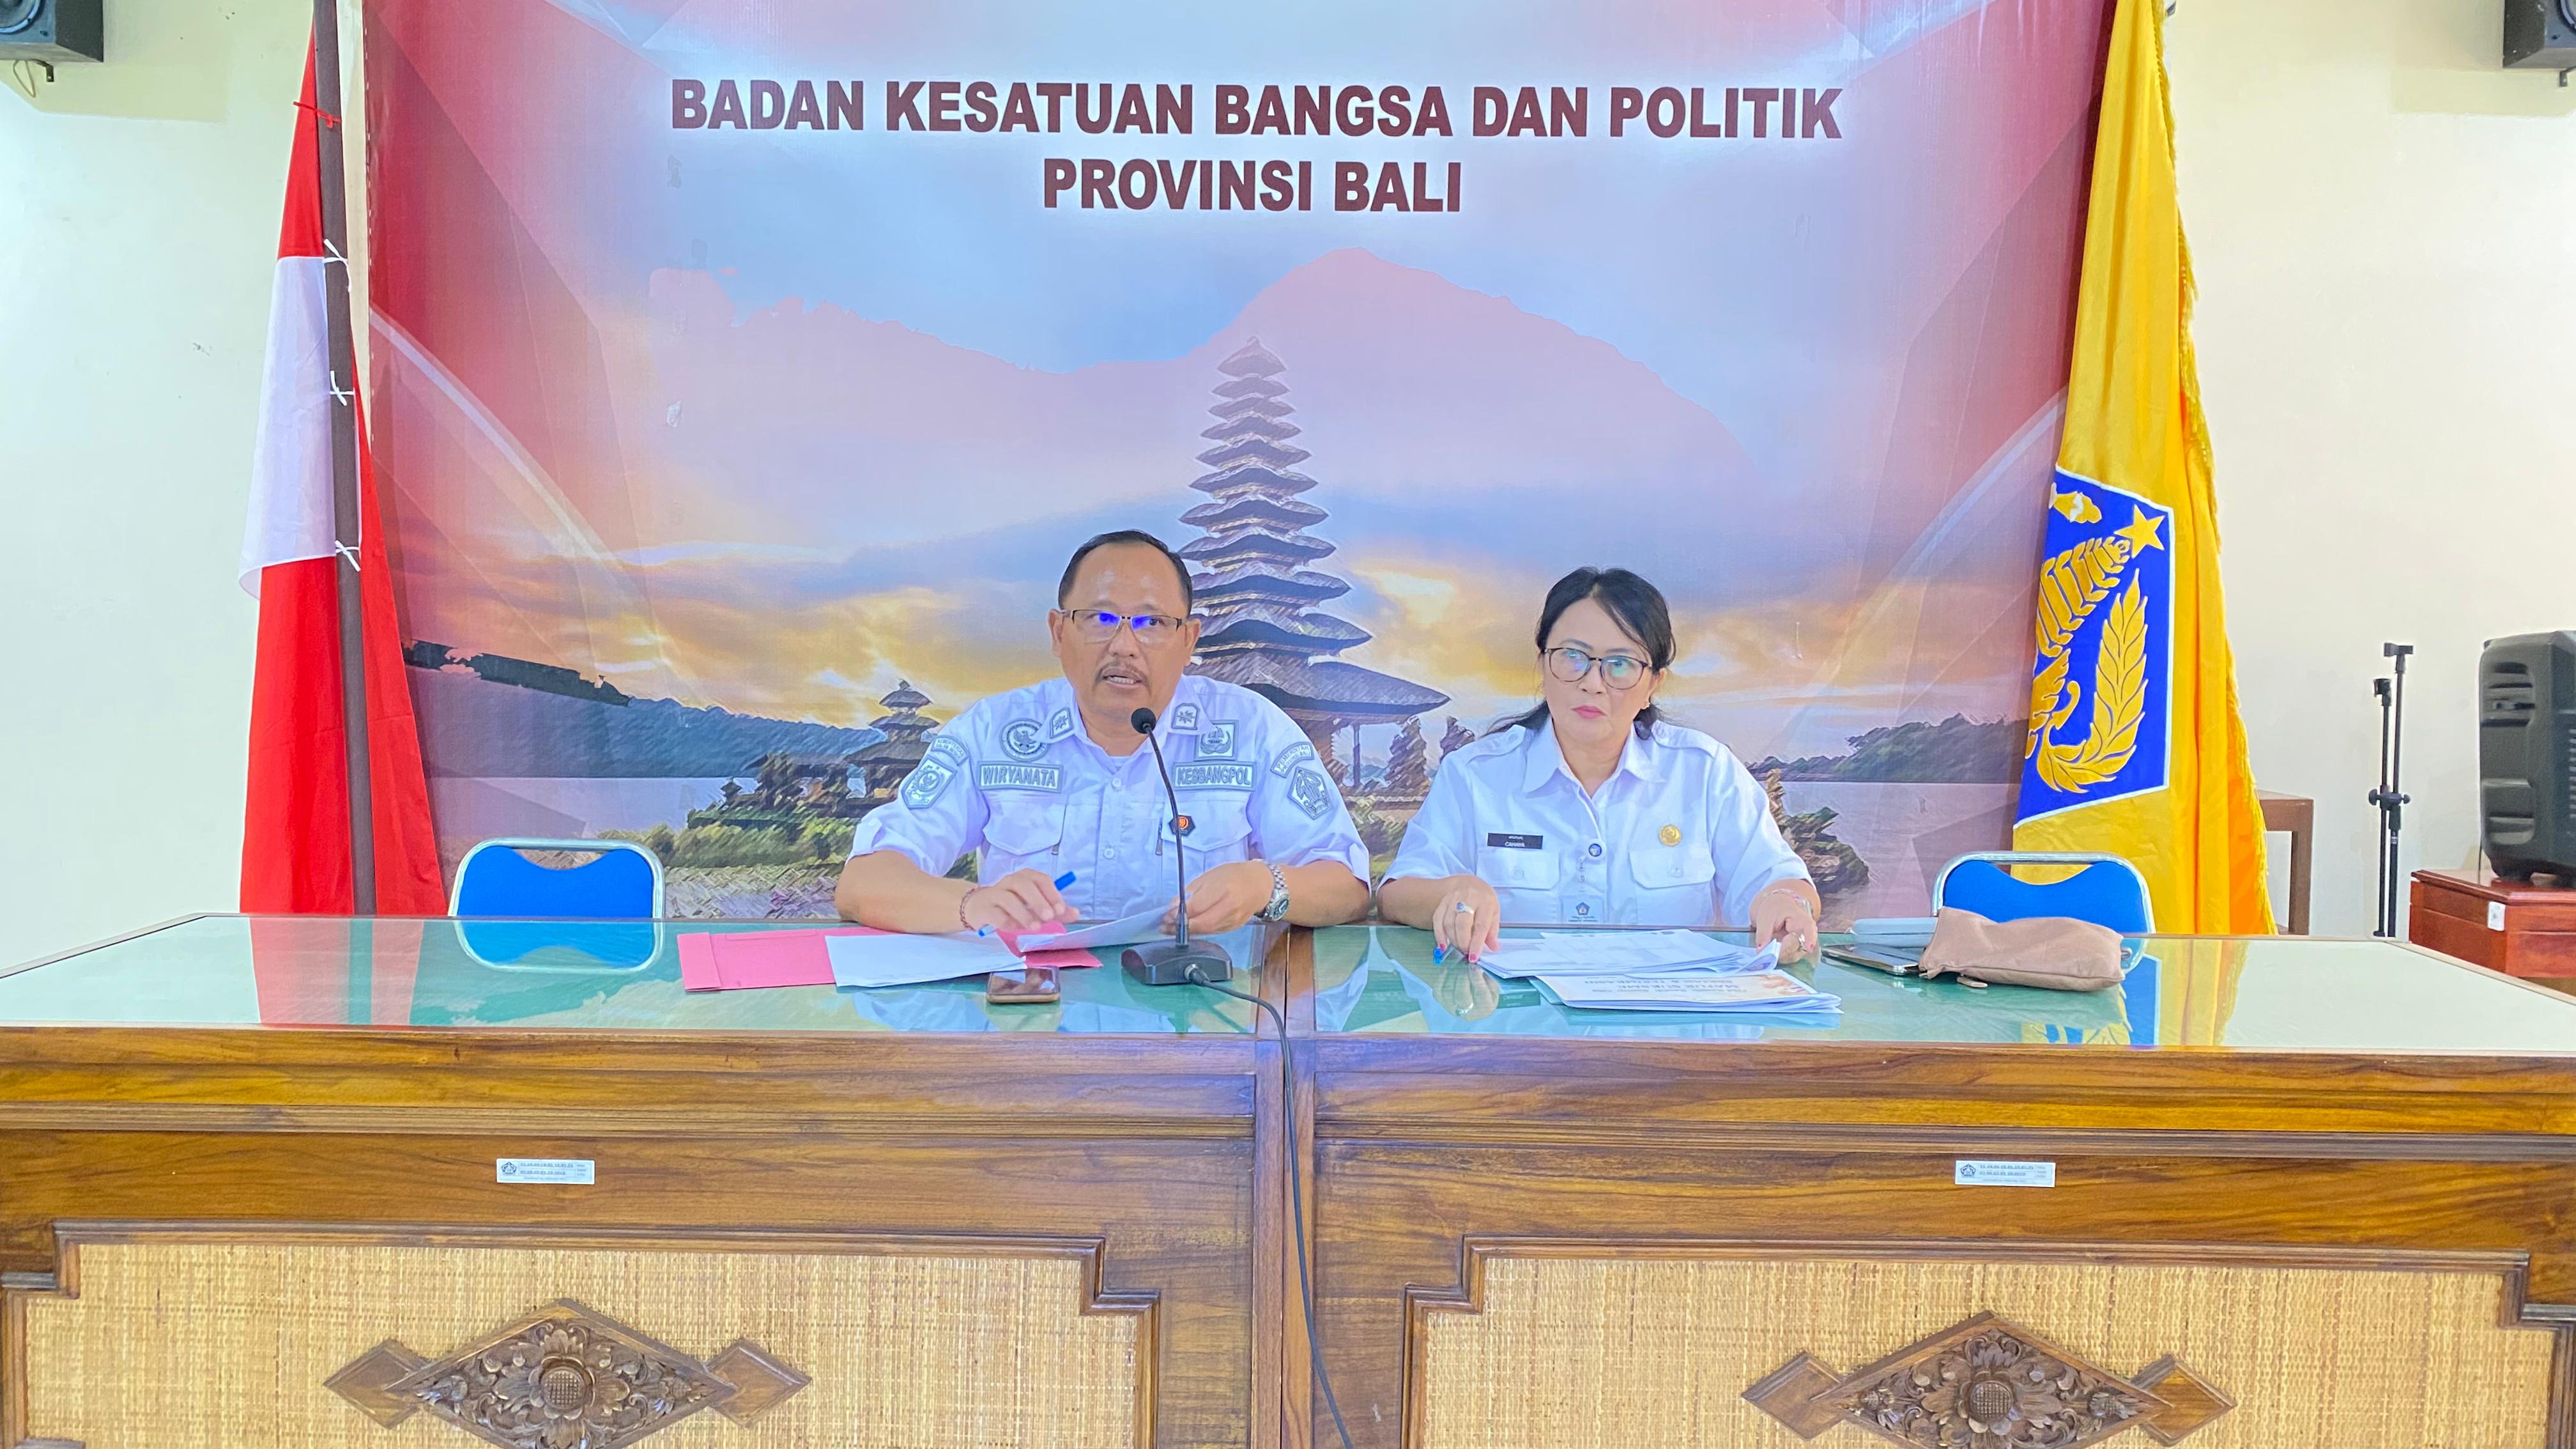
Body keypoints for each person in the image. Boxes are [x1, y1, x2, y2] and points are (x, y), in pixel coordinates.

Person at [836, 529, 1374, 935]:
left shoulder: (1253, 730)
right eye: (1099, 619)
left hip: (1206, 1018)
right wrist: (971, 904)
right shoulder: (992, 733)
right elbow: (864, 884)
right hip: (1032, 1015)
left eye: (1151, 623)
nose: (1124, 646)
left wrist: (1263, 885)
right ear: (1058, 632)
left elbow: (1347, 889)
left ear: (1189, 641)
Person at [1377, 566, 1820, 961]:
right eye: (1573, 657)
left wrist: (1784, 904)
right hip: (1516, 1016)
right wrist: (1454, 891)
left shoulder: (1704, 772)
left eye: (1620, 664)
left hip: (1667, 1015)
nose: (1593, 683)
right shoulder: (1475, 774)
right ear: (1543, 665)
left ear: (1653, 684)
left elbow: (1778, 879)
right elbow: (1398, 895)